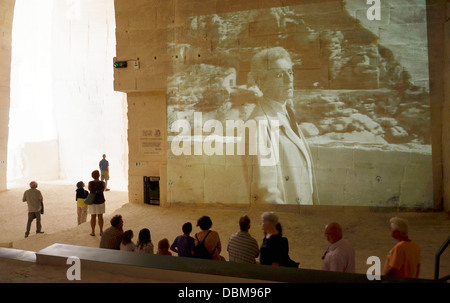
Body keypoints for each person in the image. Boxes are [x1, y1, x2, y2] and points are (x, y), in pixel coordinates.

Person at [246, 46, 318, 205]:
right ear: (261, 82)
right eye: (279, 74)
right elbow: (266, 193)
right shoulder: (259, 125)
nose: (289, 79)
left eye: (290, 72)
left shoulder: (286, 113)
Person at [88, 170, 106, 236]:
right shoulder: (102, 183)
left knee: (93, 216)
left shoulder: (90, 183)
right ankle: (101, 231)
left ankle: (93, 231)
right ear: (99, 175)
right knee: (100, 216)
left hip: (92, 201)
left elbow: (89, 189)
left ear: (92, 176)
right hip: (100, 200)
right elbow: (103, 189)